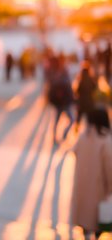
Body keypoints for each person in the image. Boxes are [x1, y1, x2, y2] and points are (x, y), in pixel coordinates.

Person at [72, 109, 112, 240]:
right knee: (97, 222)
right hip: (98, 190)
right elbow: (110, 168)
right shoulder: (106, 140)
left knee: (85, 220)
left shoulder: (83, 137)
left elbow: (75, 152)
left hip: (82, 188)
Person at [47, 55, 75, 143]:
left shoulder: (54, 73)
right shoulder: (62, 74)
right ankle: (62, 135)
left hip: (59, 103)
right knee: (71, 120)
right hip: (64, 102)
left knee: (57, 120)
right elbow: (68, 88)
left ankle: (56, 136)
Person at [74, 61, 97, 132]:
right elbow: (95, 88)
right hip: (90, 102)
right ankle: (89, 131)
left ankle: (76, 130)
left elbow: (77, 91)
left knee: (79, 117)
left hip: (81, 102)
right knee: (89, 118)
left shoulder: (81, 80)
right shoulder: (91, 79)